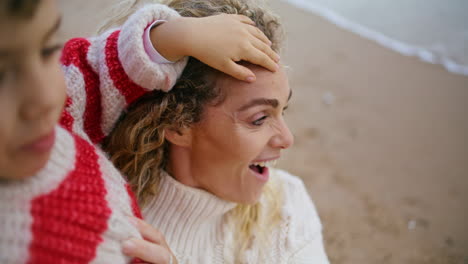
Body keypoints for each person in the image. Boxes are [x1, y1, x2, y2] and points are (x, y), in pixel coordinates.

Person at [0, 0, 280, 263]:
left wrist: (175, 37)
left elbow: (92, 71)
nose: (47, 96)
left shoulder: (53, 121)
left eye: (47, 51)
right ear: (178, 124)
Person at [103, 0, 330, 263]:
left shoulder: (287, 210)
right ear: (178, 125)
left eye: (283, 110)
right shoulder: (109, 216)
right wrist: (172, 38)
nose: (287, 139)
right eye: (258, 119)